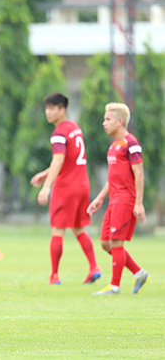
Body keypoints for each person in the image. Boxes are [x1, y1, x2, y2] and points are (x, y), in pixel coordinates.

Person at [30, 93, 101, 285]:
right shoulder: (74, 128)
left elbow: (59, 158)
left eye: (53, 108)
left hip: (66, 187)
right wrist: (47, 173)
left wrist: (46, 187)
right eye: (47, 108)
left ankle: (54, 276)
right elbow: (68, 159)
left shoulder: (59, 133)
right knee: (79, 228)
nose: (48, 112)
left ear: (63, 110)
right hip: (82, 185)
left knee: (58, 229)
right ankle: (94, 267)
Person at [87, 102, 150, 295]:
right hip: (113, 200)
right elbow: (112, 178)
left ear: (120, 122)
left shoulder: (131, 144)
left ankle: (114, 286)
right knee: (106, 243)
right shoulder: (114, 146)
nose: (104, 123)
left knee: (116, 243)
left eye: (108, 119)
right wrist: (99, 199)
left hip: (126, 199)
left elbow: (139, 173)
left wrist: (138, 202)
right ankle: (139, 273)